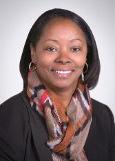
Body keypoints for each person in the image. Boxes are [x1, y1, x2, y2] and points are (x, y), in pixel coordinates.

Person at [0, 8, 115, 161]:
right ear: (33, 52)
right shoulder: (8, 117)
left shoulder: (103, 116)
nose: (63, 58)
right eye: (51, 48)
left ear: (86, 54)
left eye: (75, 49)